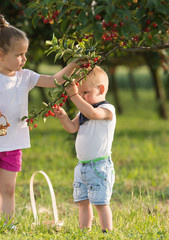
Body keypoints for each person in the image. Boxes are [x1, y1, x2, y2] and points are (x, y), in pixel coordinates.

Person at [0, 11, 80, 229]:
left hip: (13, 143)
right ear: (0, 55)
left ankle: (7, 225)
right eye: (19, 54)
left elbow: (55, 80)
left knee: (8, 188)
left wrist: (73, 64)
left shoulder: (25, 76)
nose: (24, 59)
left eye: (25, 54)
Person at [53, 66, 116, 232]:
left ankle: (106, 231)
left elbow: (93, 114)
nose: (82, 97)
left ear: (101, 89)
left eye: (85, 93)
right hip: (81, 167)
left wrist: (73, 95)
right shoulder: (84, 113)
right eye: (80, 94)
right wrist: (64, 117)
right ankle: (84, 230)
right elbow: (72, 128)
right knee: (82, 201)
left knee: (101, 203)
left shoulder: (107, 110)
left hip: (99, 167)